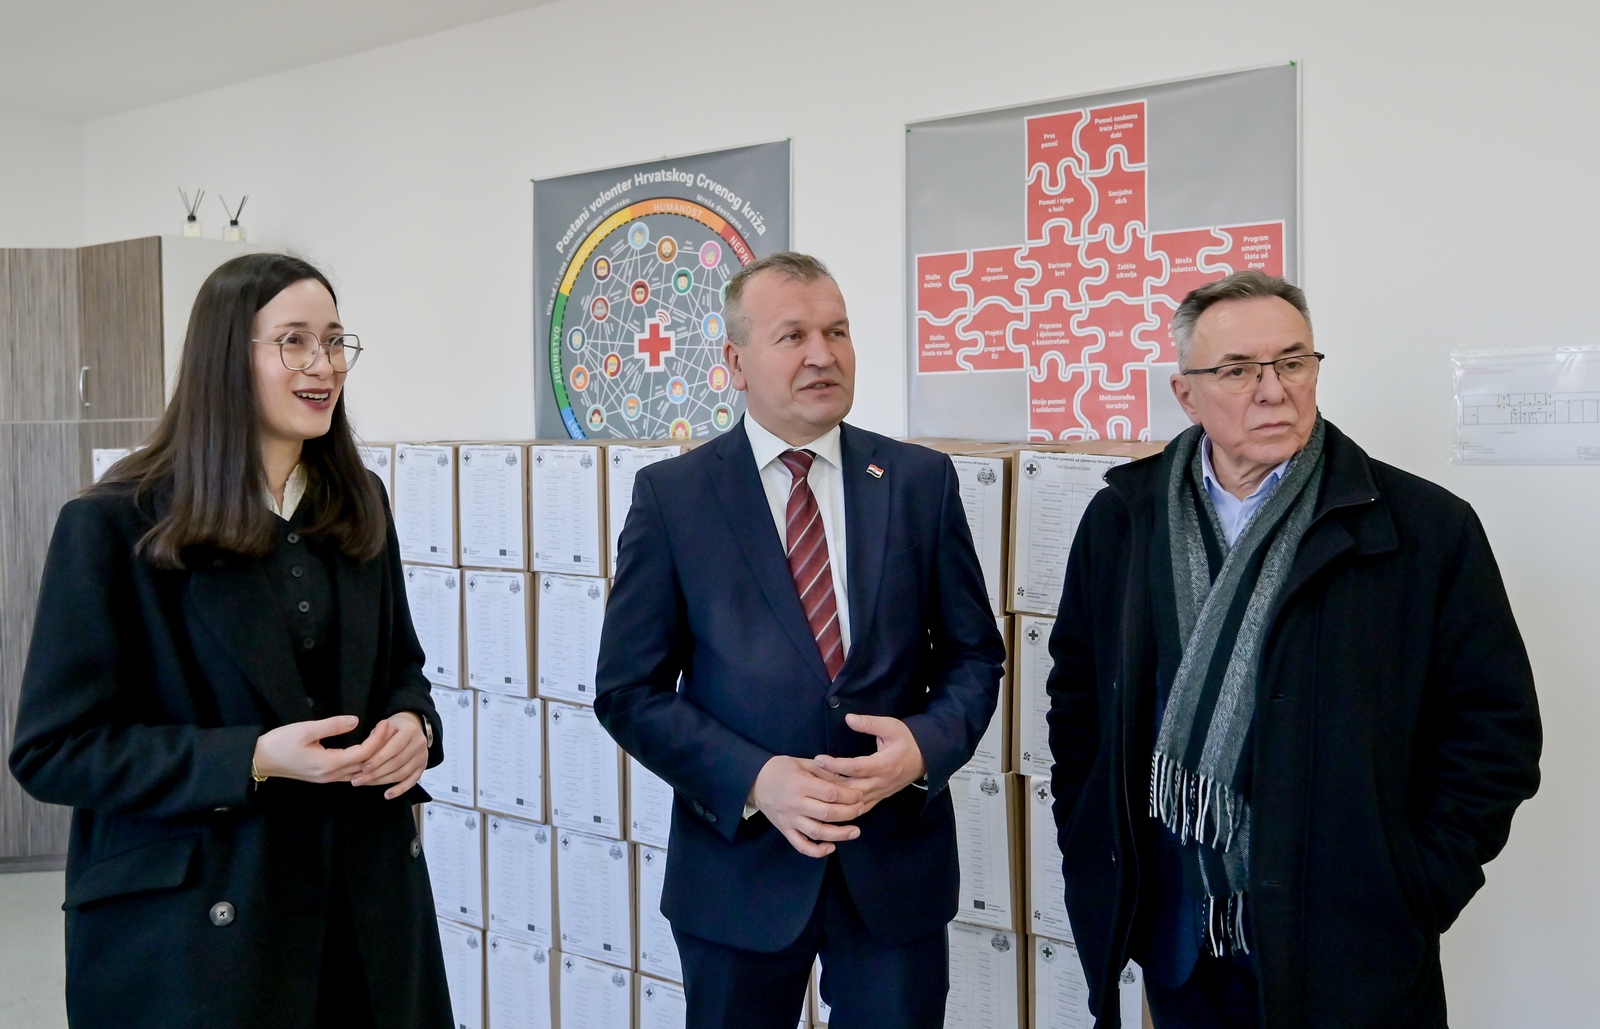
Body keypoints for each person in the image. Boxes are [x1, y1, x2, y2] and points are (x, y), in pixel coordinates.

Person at [1045, 270, 1542, 1028]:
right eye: (1238, 371)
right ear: (1186, 395)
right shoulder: (1123, 519)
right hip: (1179, 936)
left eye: (1293, 362)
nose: (1273, 390)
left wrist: (1414, 883)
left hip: (1351, 945)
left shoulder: (1421, 528)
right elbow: (1079, 697)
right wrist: (1092, 839)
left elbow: (1494, 732)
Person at [9, 253, 454, 1028]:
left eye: (335, 340)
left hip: (365, 919)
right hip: (200, 936)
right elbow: (55, 750)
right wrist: (251, 756)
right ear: (226, 357)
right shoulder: (114, 523)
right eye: (294, 341)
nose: (324, 364)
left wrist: (414, 726)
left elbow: (402, 671)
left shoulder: (359, 501)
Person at [594, 251, 1005, 1028]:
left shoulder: (919, 481)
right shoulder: (674, 497)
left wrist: (922, 749)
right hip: (737, 877)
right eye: (793, 336)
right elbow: (627, 691)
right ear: (735, 361)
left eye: (837, 331)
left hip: (894, 874)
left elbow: (974, 655)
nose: (823, 354)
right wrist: (755, 779)